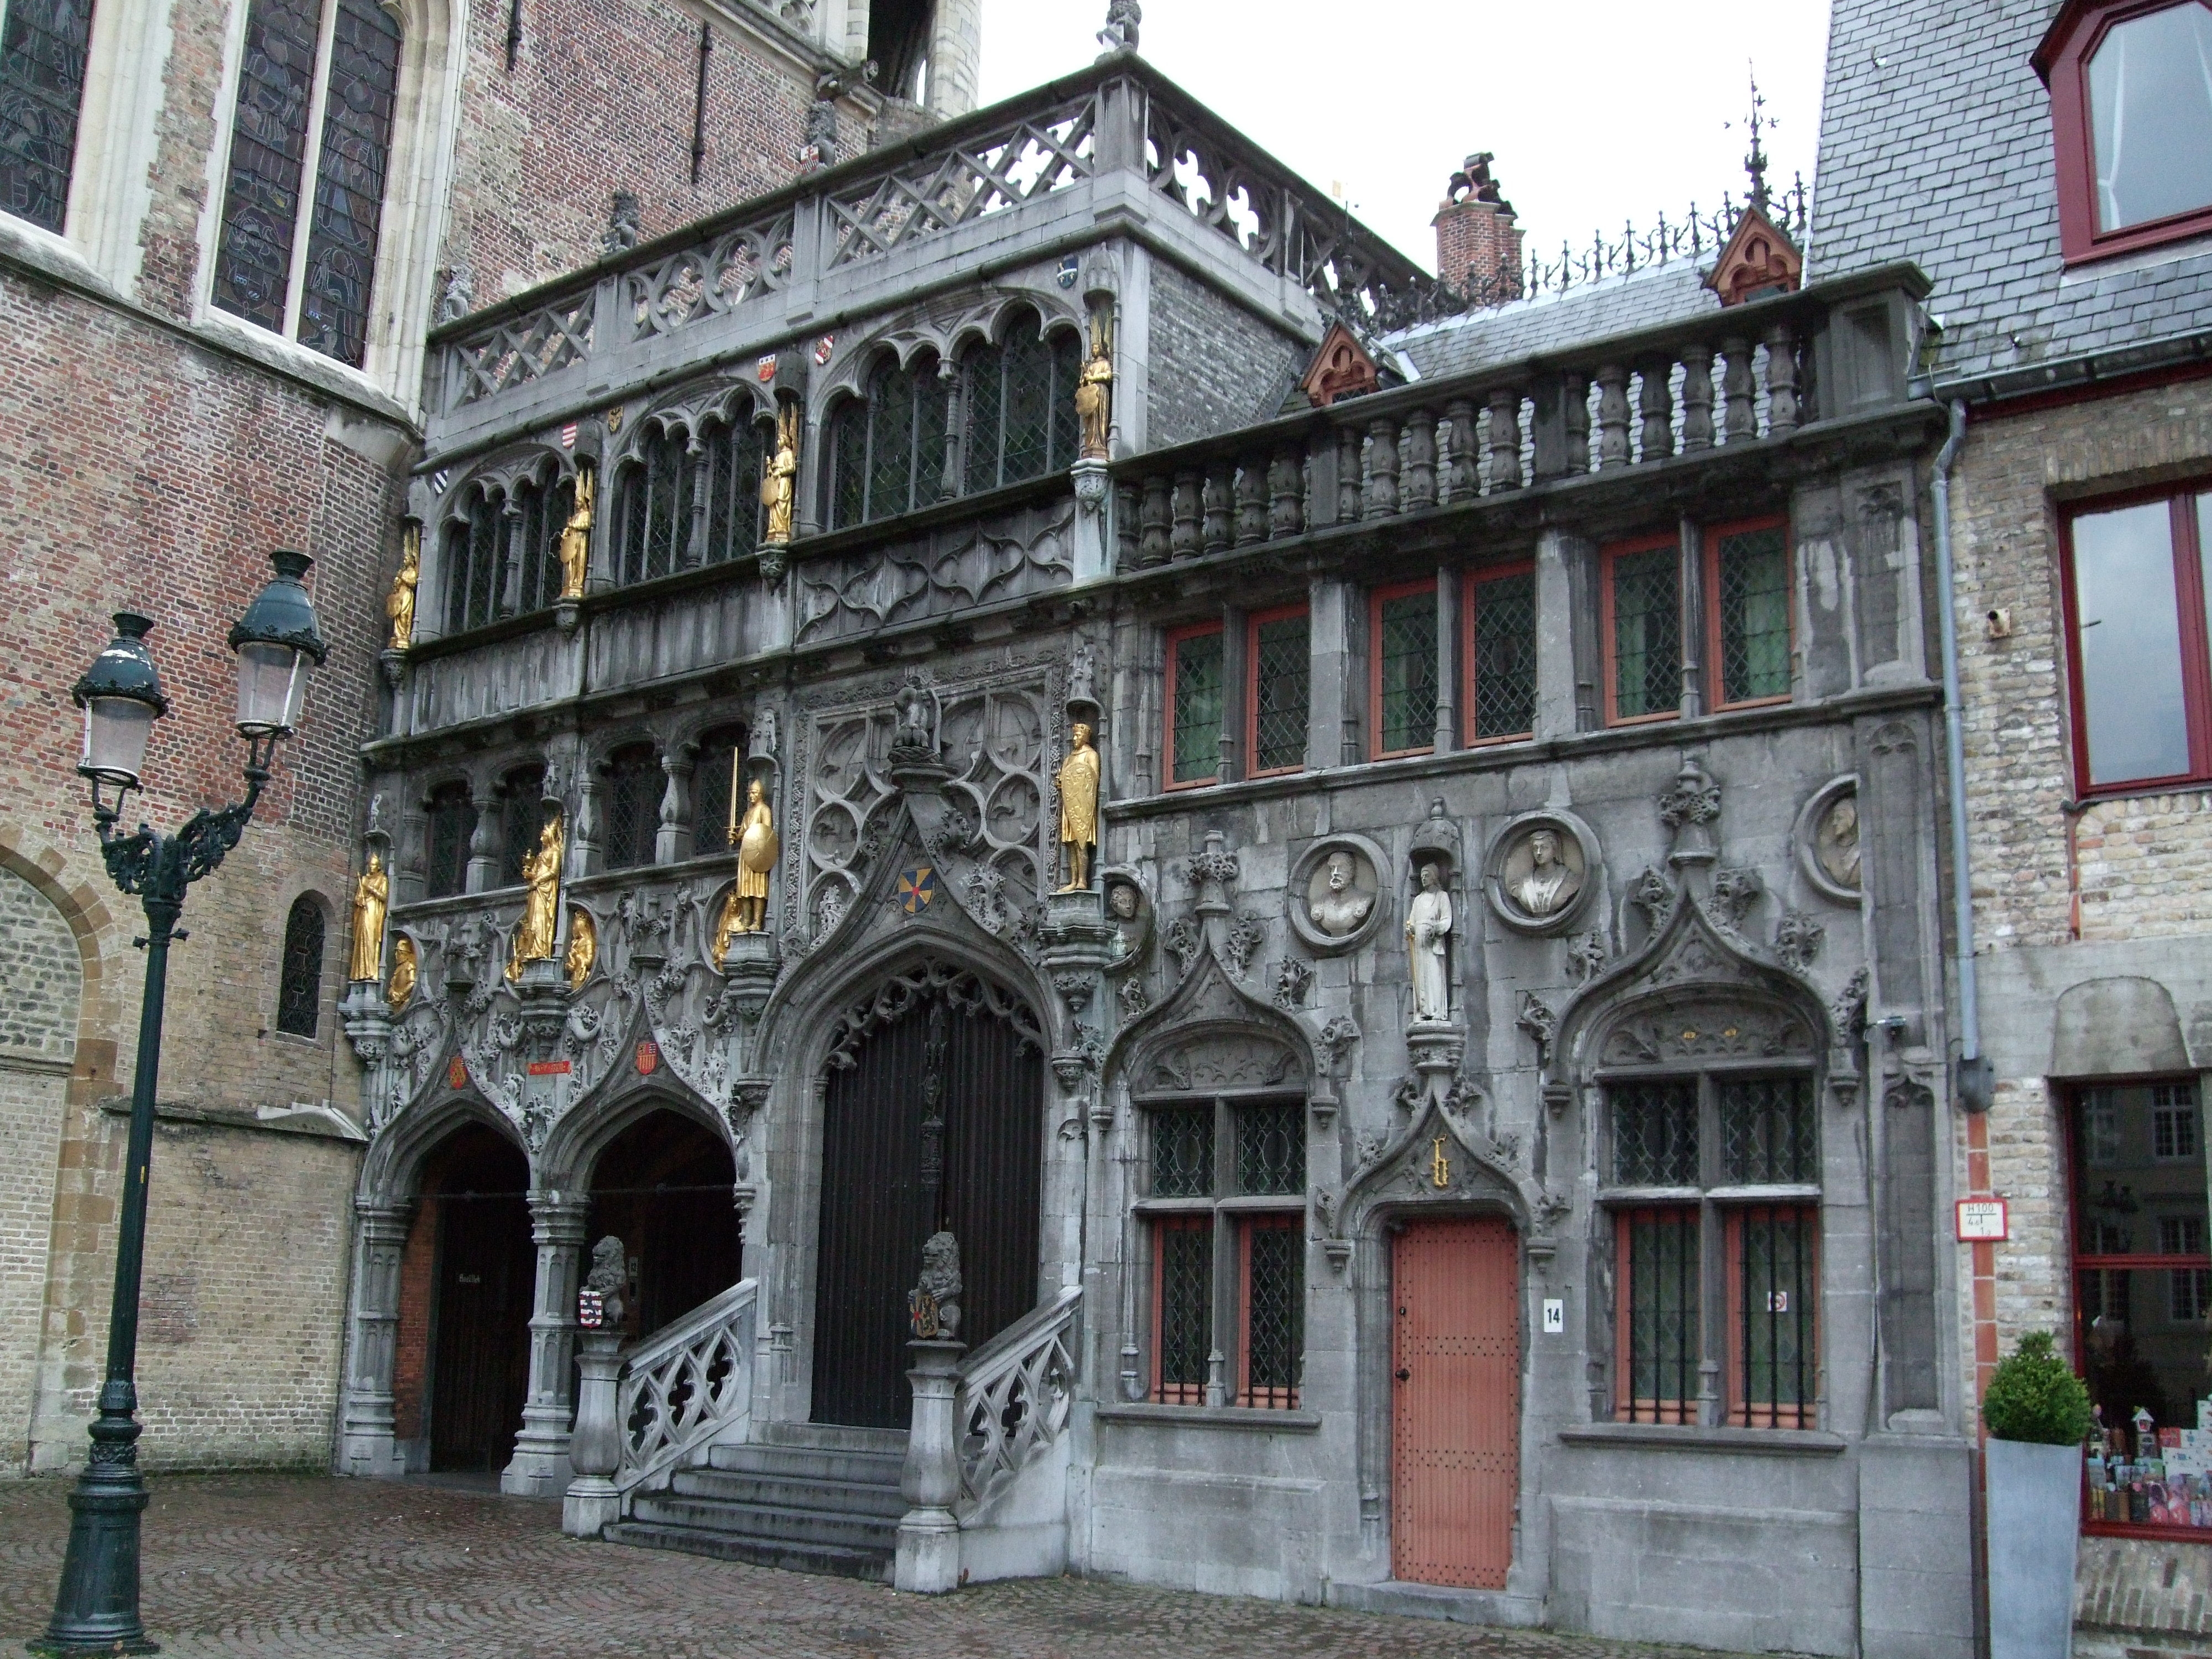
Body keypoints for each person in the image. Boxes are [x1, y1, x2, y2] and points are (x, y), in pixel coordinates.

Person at [507, 812, 564, 980]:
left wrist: (538, 879)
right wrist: (529, 874)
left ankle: (540, 949)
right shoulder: (540, 855)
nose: (541, 840)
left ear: (550, 836)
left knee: (542, 920)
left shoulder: (555, 852)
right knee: (533, 922)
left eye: (543, 836)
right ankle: (532, 950)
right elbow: (535, 872)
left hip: (546, 891)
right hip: (536, 890)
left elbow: (554, 871)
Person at [1406, 860, 1452, 1021]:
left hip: (1433, 942)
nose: (1424, 879)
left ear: (1434, 877)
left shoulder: (1442, 896)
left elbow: (1447, 919)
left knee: (1434, 975)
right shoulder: (1418, 899)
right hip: (1418, 943)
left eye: (1427, 876)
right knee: (1420, 977)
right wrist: (1410, 929)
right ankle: (1422, 1011)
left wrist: (1437, 929)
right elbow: (1411, 920)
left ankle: (1436, 1010)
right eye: (1422, 876)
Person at [1057, 723, 1100, 891]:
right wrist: (1060, 782)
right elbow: (1064, 780)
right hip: (1070, 806)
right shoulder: (1069, 759)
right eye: (1074, 736)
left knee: (1082, 843)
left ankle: (1083, 880)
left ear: (1086, 737)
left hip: (1083, 806)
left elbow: (1093, 778)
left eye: (1078, 736)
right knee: (1072, 844)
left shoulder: (1091, 755)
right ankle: (1073, 880)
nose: (1075, 739)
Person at [1510, 828, 1580, 917]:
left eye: (1544, 848)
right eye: (1535, 849)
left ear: (1554, 850)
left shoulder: (1570, 880)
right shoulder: (1521, 884)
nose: (1539, 853)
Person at [1310, 849, 1374, 936]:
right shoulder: (1319, 903)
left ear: (1352, 872)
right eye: (1332, 868)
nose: (1335, 873)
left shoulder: (1366, 899)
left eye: (1341, 868)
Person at [348, 852, 388, 982]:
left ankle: (371, 971)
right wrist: (360, 900)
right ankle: (360, 972)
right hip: (364, 911)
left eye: (374, 865)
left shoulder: (382, 879)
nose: (371, 868)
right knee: (362, 938)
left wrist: (372, 890)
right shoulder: (364, 879)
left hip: (374, 912)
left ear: (379, 866)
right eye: (370, 865)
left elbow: (384, 897)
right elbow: (358, 898)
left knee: (371, 938)